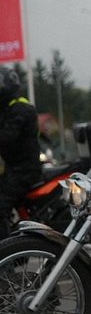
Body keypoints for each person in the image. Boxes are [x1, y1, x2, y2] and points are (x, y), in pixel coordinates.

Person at [0, 66, 42, 240]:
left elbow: (6, 137)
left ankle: (5, 257)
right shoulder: (8, 108)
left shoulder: (20, 108)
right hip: (13, 168)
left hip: (24, 171)